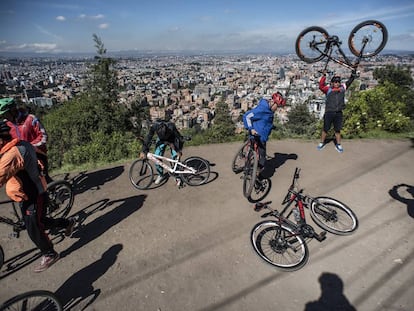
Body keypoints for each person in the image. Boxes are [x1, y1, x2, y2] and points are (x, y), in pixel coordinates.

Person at [0, 120, 75, 272]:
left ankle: (49, 253)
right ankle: (66, 224)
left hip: (32, 195)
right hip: (28, 192)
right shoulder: (19, 144)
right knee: (40, 222)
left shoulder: (12, 155)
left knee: (33, 228)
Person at [0, 97, 52, 183]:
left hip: (37, 153)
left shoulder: (30, 119)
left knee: (42, 179)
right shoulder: (7, 125)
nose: (5, 117)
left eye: (6, 114)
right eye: (3, 115)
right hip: (20, 158)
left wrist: (29, 146)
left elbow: (43, 136)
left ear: (13, 110)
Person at [243, 92, 286, 175]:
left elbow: (265, 120)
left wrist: (271, 126)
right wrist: (251, 129)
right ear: (272, 102)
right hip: (257, 135)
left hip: (262, 136)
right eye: (277, 106)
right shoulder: (263, 109)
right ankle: (257, 175)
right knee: (262, 157)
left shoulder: (269, 111)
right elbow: (247, 116)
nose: (276, 109)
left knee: (257, 153)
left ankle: (251, 169)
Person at [317, 70, 357, 153]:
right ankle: (321, 143)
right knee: (325, 129)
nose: (337, 83)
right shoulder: (328, 89)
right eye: (335, 82)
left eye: (338, 82)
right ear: (332, 83)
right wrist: (324, 76)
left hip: (338, 112)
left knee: (337, 130)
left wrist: (353, 73)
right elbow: (321, 86)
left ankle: (338, 144)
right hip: (329, 112)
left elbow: (350, 81)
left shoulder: (342, 89)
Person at [140, 119, 184, 185]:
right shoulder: (154, 126)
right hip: (161, 140)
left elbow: (179, 137)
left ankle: (177, 174)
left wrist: (178, 150)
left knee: (175, 157)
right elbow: (148, 137)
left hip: (172, 139)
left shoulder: (171, 126)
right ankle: (160, 174)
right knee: (156, 157)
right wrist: (143, 150)